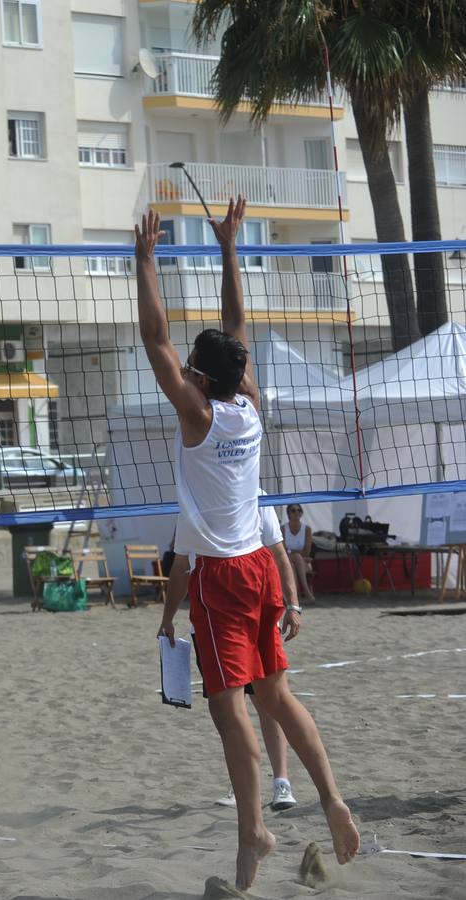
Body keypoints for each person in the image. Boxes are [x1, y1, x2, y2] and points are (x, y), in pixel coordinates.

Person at [136, 199, 358, 890]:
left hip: (222, 578)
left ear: (198, 377)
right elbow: (236, 329)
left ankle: (253, 830)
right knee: (278, 698)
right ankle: (330, 799)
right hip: (262, 570)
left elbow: (154, 340)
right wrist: (228, 248)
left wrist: (144, 260)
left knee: (228, 710)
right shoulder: (247, 404)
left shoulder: (198, 413)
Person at [160, 498, 305, 812]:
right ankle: (244, 785)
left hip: (250, 606)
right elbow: (181, 565)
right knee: (228, 709)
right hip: (212, 619)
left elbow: (279, 555)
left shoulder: (258, 495)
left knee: (270, 702)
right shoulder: (194, 499)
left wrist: (293, 605)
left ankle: (282, 783)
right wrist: (167, 618)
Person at [285, 504, 316, 604]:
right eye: (293, 510)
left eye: (299, 510)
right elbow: (283, 551)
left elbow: (307, 551)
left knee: (294, 564)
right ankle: (306, 591)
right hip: (288, 560)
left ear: (302, 513)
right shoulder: (283, 529)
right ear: (288, 514)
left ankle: (295, 596)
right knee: (295, 560)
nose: (296, 512)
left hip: (301, 561)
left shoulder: (307, 529)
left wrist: (291, 552)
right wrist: (294, 554)